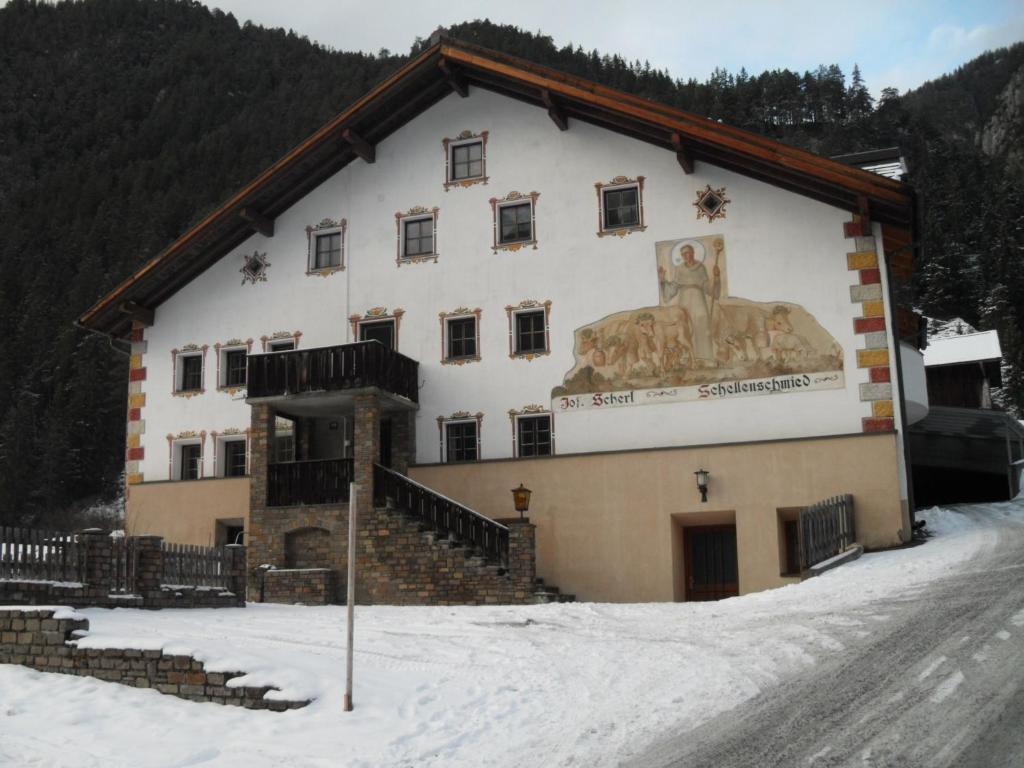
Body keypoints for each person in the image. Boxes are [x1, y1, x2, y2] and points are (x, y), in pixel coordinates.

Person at [658, 242, 720, 366]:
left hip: (698, 299)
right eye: (682, 254)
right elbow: (674, 287)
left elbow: (707, 286)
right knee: (685, 327)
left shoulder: (700, 267)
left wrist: (716, 277)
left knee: (702, 321)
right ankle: (688, 359)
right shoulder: (679, 269)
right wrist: (663, 280)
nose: (685, 256)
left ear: (692, 253)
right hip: (684, 300)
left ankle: (705, 357)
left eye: (687, 253)